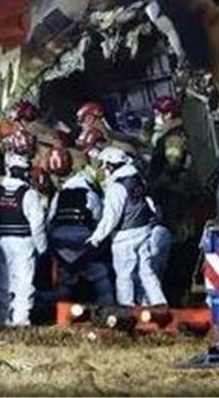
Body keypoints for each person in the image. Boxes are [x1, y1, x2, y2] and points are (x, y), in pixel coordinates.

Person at [86, 147, 166, 308]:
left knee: (124, 274)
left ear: (112, 165)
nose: (103, 168)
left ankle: (126, 307)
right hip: (144, 231)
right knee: (146, 270)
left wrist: (95, 239)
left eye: (105, 165)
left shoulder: (117, 187)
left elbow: (111, 218)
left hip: (125, 236)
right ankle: (159, 302)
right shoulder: (137, 180)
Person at [146, 96, 201, 304]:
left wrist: (155, 185)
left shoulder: (174, 137)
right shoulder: (171, 134)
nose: (156, 117)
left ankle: (177, 295)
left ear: (168, 114)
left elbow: (173, 165)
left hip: (174, 200)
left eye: (158, 113)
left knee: (177, 247)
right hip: (175, 198)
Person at [46, 147, 114, 307]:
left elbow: (50, 221)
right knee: (100, 275)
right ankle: (108, 307)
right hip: (85, 241)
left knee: (65, 280)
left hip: (61, 244)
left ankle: (61, 312)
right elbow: (99, 219)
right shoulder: (91, 194)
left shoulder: (59, 195)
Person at [0, 152, 47, 327]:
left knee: (1, 282)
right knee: (23, 283)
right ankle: (21, 321)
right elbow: (38, 224)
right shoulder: (29, 194)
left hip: (1, 242)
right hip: (23, 243)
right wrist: (42, 248)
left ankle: (1, 319)